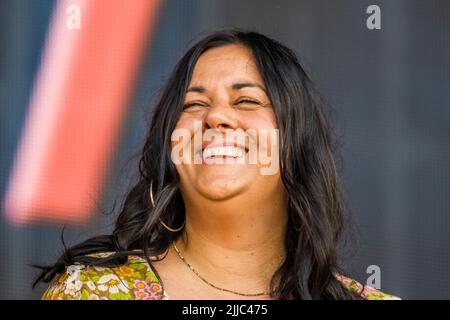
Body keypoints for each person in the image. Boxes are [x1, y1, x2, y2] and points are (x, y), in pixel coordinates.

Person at [35, 30, 400, 300]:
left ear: (296, 144)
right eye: (193, 105)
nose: (217, 117)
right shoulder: (89, 291)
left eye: (246, 101)